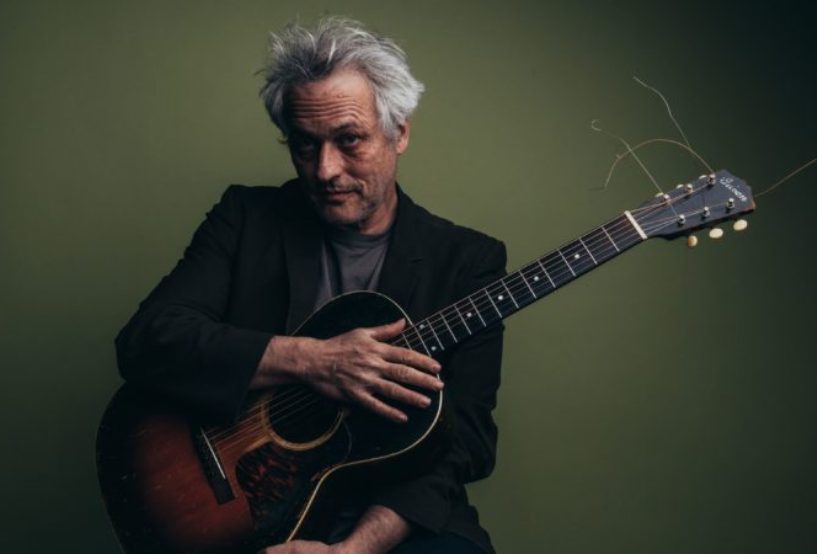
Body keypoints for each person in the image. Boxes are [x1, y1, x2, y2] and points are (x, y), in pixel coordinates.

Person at [115, 17, 506, 554]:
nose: (324, 170)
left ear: (399, 132)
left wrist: (354, 550)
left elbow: (466, 443)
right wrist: (313, 360)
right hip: (246, 507)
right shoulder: (246, 219)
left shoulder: (467, 262)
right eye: (305, 145)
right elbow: (147, 340)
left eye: (349, 140)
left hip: (392, 516)